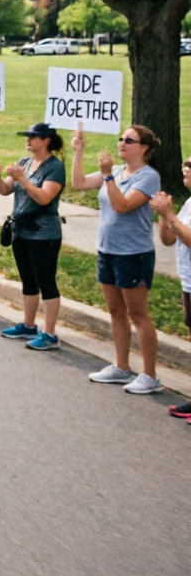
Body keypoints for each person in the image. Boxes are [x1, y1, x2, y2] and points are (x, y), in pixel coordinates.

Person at [71, 124, 165, 394]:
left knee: (138, 314)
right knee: (115, 312)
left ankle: (150, 375)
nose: (122, 143)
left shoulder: (148, 177)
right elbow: (78, 184)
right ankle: (121, 367)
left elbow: (122, 206)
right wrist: (79, 151)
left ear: (143, 148)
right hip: (107, 251)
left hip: (133, 253)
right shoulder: (116, 172)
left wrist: (107, 177)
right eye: (121, 139)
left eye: (129, 140)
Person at [0, 123, 66, 350]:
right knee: (28, 280)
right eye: (28, 136)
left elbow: (44, 198)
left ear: (46, 141)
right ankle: (28, 324)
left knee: (46, 282)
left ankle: (50, 334)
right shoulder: (24, 163)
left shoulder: (54, 167)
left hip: (44, 233)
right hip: (21, 230)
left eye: (33, 137)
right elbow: (5, 190)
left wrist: (23, 179)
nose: (28, 140)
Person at [151, 158, 191, 418]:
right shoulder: (189, 203)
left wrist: (169, 215)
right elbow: (168, 240)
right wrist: (165, 217)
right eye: (186, 164)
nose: (185, 167)